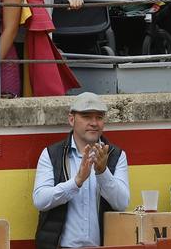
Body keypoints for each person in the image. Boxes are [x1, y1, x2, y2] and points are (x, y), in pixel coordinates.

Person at [31, 92, 130, 249]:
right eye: (86, 116)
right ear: (72, 119)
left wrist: (102, 172)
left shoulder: (116, 155)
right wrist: (76, 182)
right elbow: (40, 200)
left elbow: (122, 203)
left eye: (99, 117)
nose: (94, 123)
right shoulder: (51, 154)